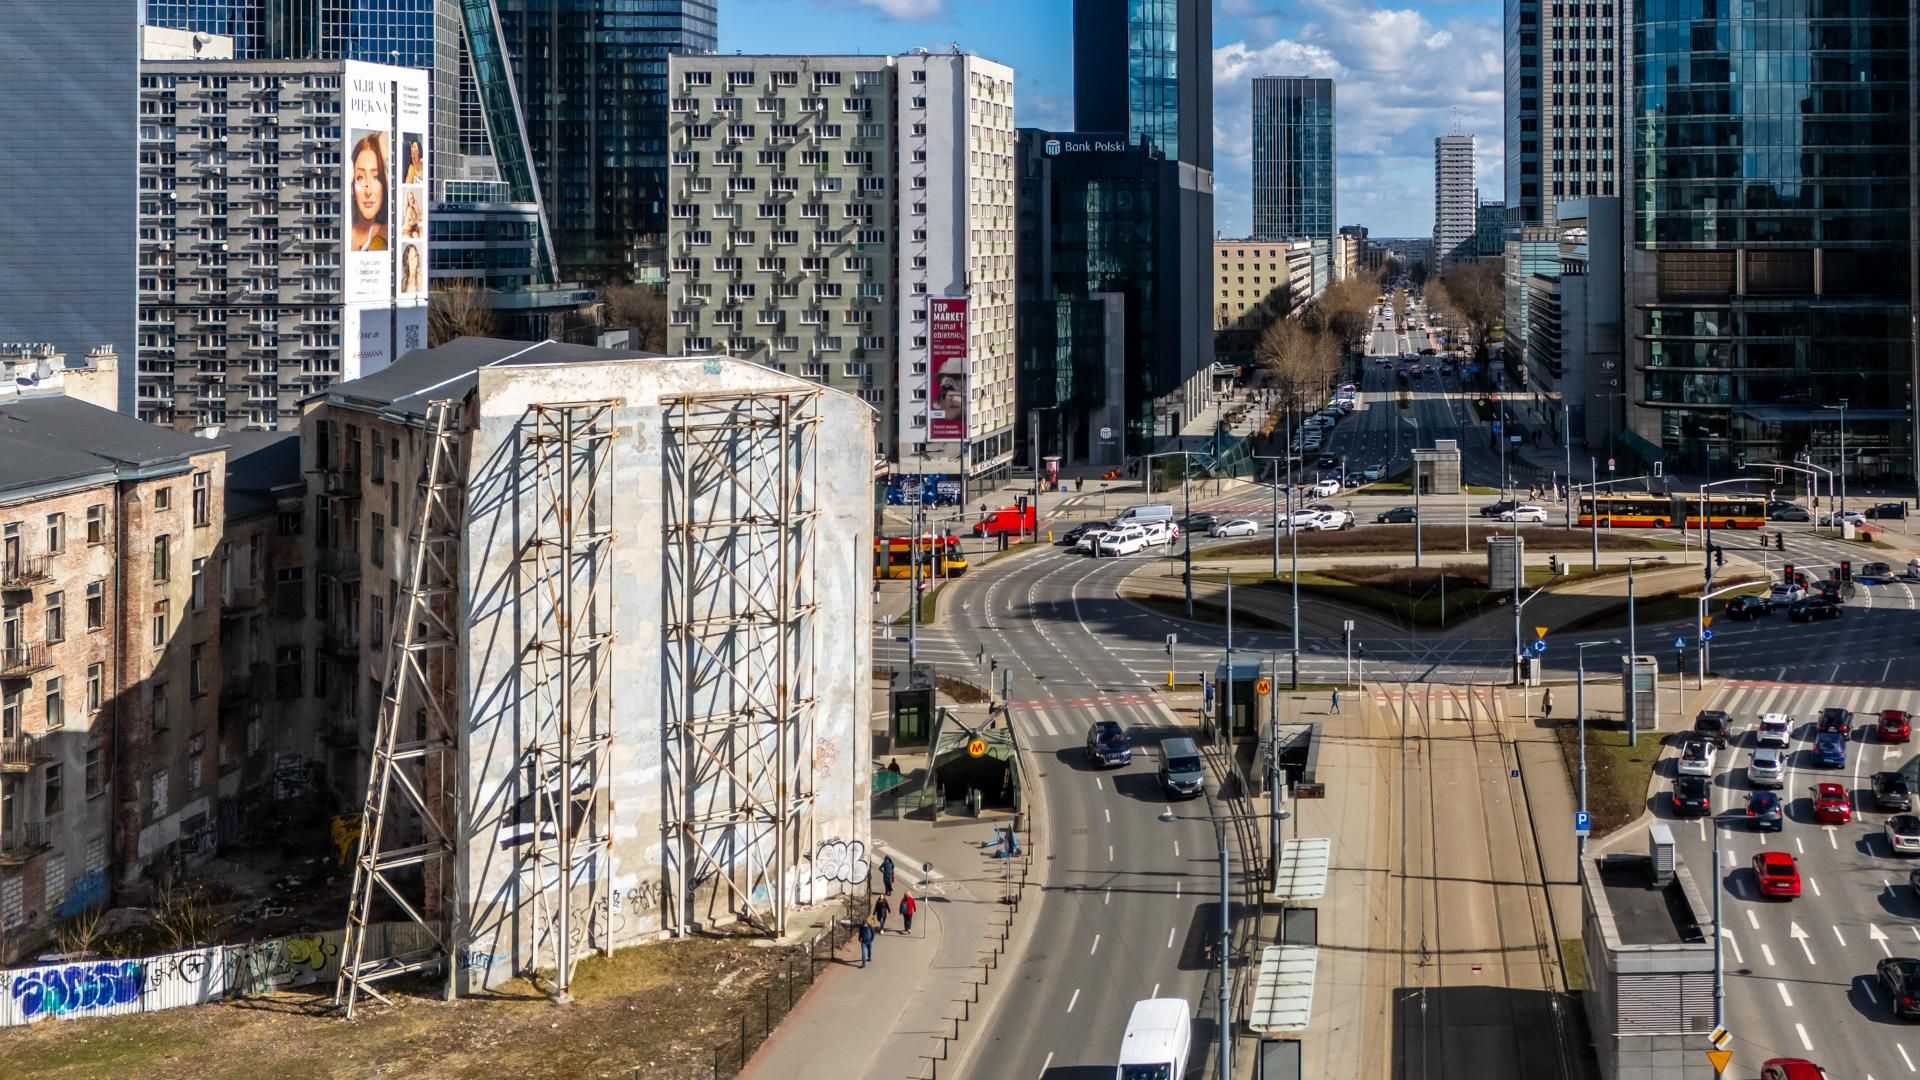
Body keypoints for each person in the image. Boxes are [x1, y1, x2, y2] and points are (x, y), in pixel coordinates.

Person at [349, 131, 390, 252]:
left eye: (376, 177)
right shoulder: (339, 230)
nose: (368, 191)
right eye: (360, 177)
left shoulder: (389, 235)